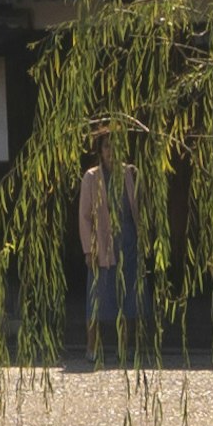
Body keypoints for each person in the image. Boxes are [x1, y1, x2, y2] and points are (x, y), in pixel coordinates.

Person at [76, 128, 135, 369]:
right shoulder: (91, 177)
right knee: (97, 298)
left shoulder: (129, 173)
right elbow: (85, 216)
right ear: (100, 151)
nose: (111, 151)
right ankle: (91, 346)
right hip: (101, 242)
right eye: (107, 146)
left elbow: (136, 208)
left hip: (128, 241)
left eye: (115, 146)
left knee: (125, 297)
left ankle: (124, 347)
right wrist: (88, 250)